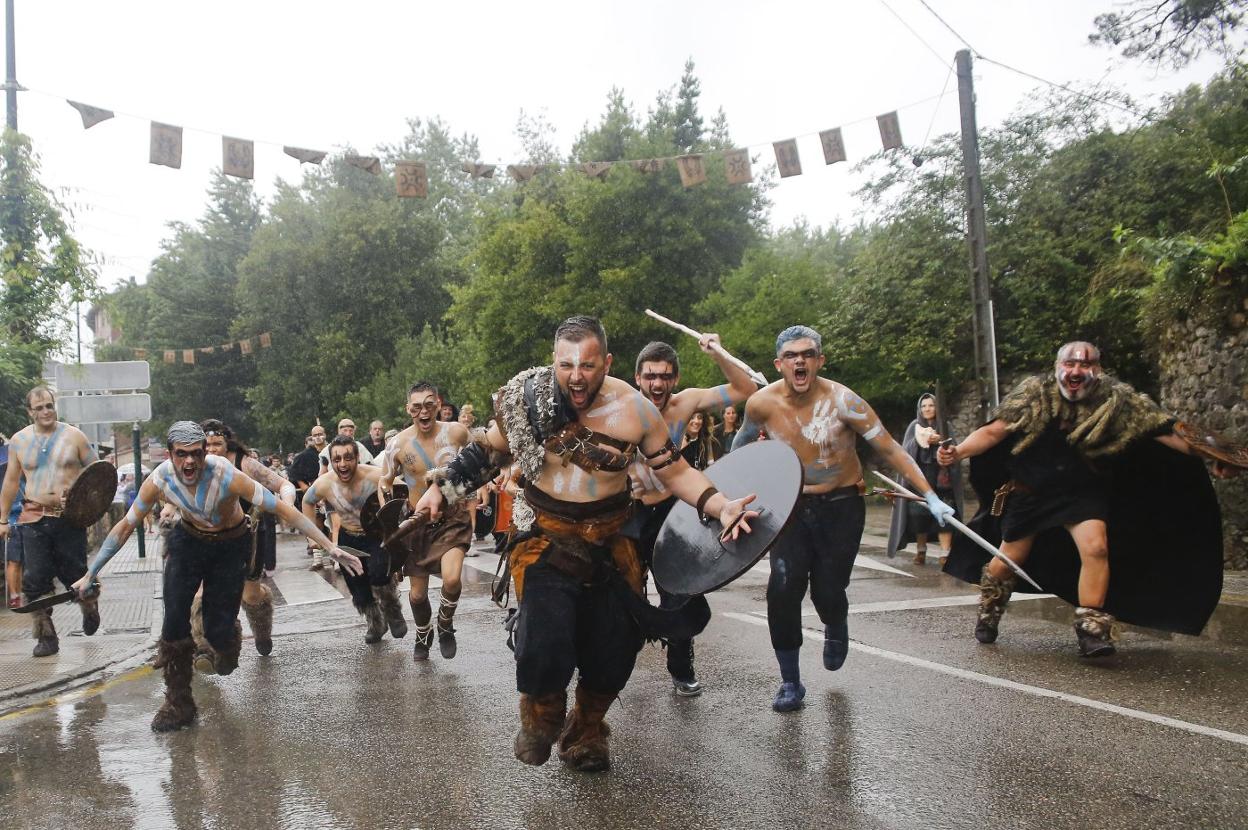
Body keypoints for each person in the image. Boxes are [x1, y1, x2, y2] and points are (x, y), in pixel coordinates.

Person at [414, 316, 757, 772]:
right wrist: (442, 488)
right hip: (544, 537)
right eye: (566, 365)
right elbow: (488, 451)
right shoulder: (528, 400)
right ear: (554, 361)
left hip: (611, 539)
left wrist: (721, 506)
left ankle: (588, 731)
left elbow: (675, 472)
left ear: (607, 362)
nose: (576, 376)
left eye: (588, 365)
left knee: (614, 651)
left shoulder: (636, 411)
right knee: (545, 640)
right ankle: (542, 715)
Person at [937, 341, 1235, 657]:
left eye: (1086, 365)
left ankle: (1092, 629)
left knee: (1097, 548)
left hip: (1082, 492)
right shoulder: (1034, 394)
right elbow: (993, 432)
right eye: (1070, 364)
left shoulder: (1118, 400)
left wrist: (1209, 454)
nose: (1077, 371)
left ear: (1098, 369)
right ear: (1058, 368)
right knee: (1009, 560)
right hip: (1032, 493)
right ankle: (990, 608)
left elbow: (1166, 431)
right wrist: (958, 452)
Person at [73, 421, 362, 732]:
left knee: (217, 631)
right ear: (170, 454)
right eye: (181, 454)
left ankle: (229, 638)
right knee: (173, 624)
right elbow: (125, 527)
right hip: (189, 542)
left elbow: (283, 509)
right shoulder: (159, 480)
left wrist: (330, 547)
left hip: (230, 544)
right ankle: (178, 703)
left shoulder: (226, 474)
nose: (190, 462)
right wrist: (92, 572)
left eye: (196, 454)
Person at [733, 325, 953, 712]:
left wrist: (930, 496)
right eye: (791, 356)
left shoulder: (845, 401)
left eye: (807, 354)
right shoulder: (761, 404)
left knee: (828, 591)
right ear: (779, 364)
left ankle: (836, 621)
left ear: (820, 360)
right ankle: (790, 682)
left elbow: (891, 449)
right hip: (791, 508)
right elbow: (740, 449)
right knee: (782, 589)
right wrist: (731, 498)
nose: (799, 361)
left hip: (842, 506)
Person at [629, 337, 757, 697]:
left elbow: (745, 388)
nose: (657, 384)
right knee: (615, 587)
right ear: (638, 377)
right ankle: (604, 659)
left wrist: (718, 353)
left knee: (678, 590)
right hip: (629, 509)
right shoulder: (624, 406)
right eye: (650, 376)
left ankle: (681, 669)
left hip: (672, 510)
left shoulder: (685, 402)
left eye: (665, 376)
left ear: (675, 378)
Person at [0, 387, 102, 656]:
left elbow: (98, 475)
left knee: (76, 573)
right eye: (39, 407)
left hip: (68, 518)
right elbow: (11, 480)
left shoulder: (74, 436)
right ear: (30, 412)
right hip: (33, 517)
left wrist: (85, 501)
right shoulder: (19, 441)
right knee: (35, 580)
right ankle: (46, 637)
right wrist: (2, 519)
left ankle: (89, 607)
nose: (45, 411)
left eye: (49, 406)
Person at [381, 382, 472, 660]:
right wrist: (388, 524)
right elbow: (384, 482)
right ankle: (424, 633)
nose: (423, 412)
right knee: (417, 596)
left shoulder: (457, 432)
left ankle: (445, 625)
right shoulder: (397, 444)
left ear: (438, 405)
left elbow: (477, 465)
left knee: (452, 578)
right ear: (408, 409)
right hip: (416, 523)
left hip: (452, 517)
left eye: (429, 405)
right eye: (417, 406)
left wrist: (455, 493)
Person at [197, 419, 294, 658]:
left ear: (226, 443)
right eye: (206, 444)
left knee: (250, 595)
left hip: (247, 538)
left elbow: (282, 484)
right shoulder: (192, 465)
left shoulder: (245, 464)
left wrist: (288, 503)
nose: (211, 450)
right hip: (209, 539)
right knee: (201, 593)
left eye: (217, 444)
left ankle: (262, 629)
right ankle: (204, 647)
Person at [303, 435, 406, 644]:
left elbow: (402, 488)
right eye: (337, 459)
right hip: (348, 538)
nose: (343, 464)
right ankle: (375, 623)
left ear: (357, 457)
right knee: (358, 589)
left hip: (376, 535)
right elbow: (306, 501)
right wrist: (312, 535)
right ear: (331, 461)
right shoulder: (324, 484)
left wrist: (397, 518)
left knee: (379, 575)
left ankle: (392, 609)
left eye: (348, 458)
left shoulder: (373, 475)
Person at [886, 393, 964, 565]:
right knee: (918, 517)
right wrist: (922, 440)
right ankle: (921, 551)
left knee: (945, 517)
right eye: (924, 406)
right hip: (920, 480)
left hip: (942, 480)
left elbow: (955, 449)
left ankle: (945, 554)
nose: (927, 409)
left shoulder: (945, 425)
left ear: (937, 407)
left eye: (931, 405)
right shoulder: (914, 426)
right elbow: (905, 452)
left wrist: (942, 441)